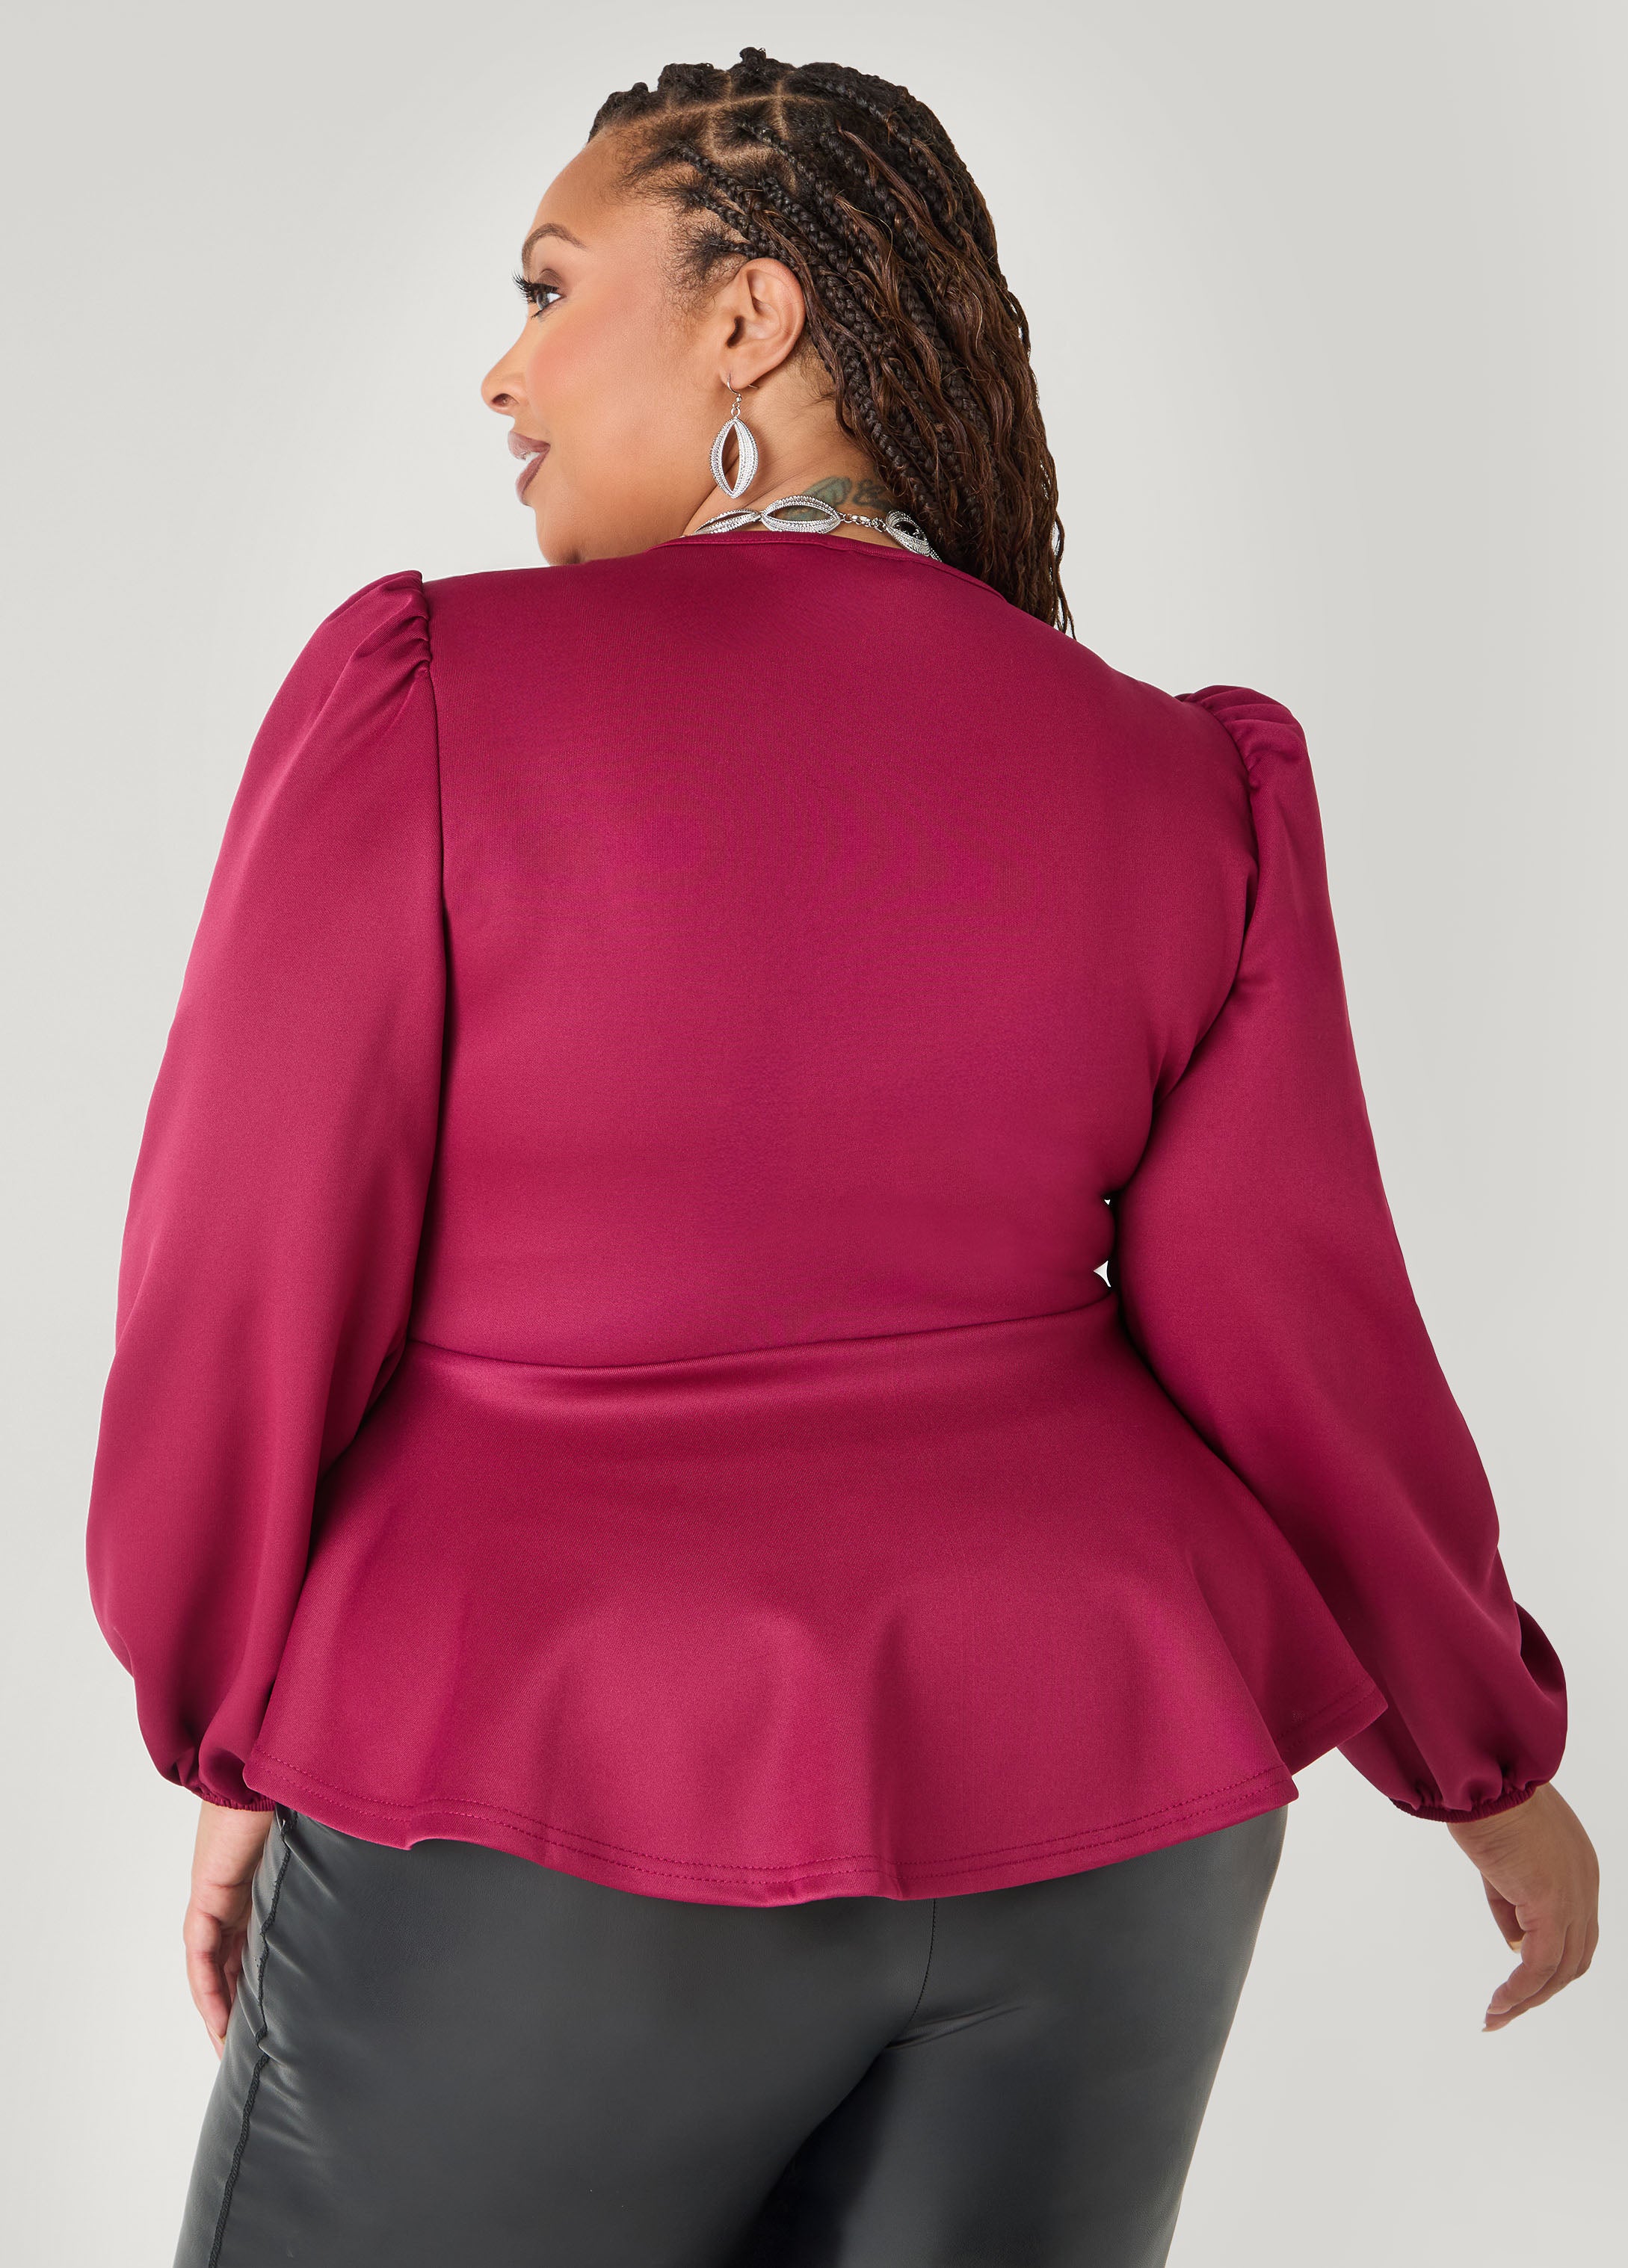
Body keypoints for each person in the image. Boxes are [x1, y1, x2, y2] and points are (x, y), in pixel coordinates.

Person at [85, 48, 1597, 2268]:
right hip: (1107, 1814)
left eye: (549, 288)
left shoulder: (430, 695)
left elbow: (240, 1277)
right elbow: (1301, 1333)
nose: (501, 371)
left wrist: (232, 1725)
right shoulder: (1182, 780)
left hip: (544, 1787)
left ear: (749, 319)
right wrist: (1487, 1761)